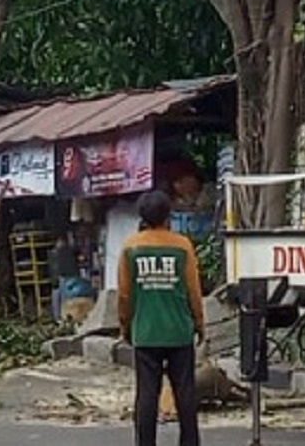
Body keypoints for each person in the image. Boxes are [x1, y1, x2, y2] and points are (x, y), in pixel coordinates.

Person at [118, 190, 205, 446]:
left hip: (145, 332)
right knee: (185, 394)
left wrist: (125, 327)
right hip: (179, 331)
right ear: (168, 214)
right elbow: (193, 291)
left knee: (146, 394)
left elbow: (125, 295)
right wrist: (199, 324)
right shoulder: (182, 245)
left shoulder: (130, 247)